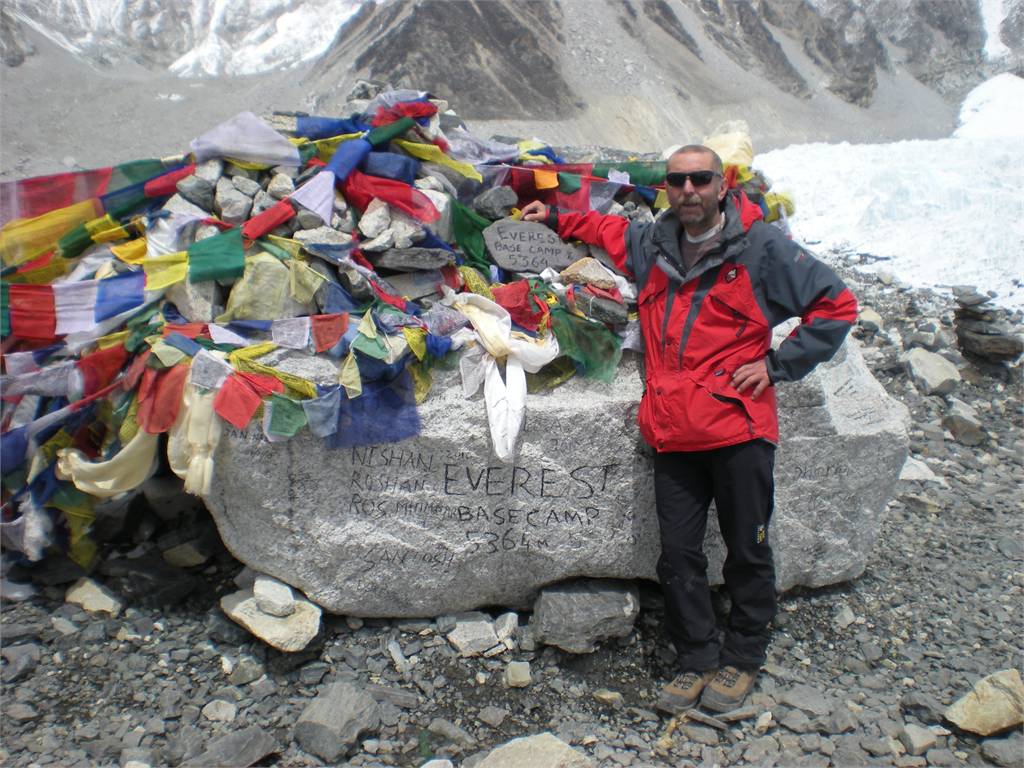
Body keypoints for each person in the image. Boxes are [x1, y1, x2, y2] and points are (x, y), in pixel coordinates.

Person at [521, 145, 857, 713]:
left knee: (747, 550)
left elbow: (837, 304)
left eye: (700, 179)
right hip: (672, 430)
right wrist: (554, 217)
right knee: (677, 555)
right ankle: (697, 658)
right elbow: (607, 228)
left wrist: (777, 365)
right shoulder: (654, 242)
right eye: (677, 181)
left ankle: (744, 656)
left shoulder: (761, 248)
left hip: (739, 429)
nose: (688, 190)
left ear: (722, 185)